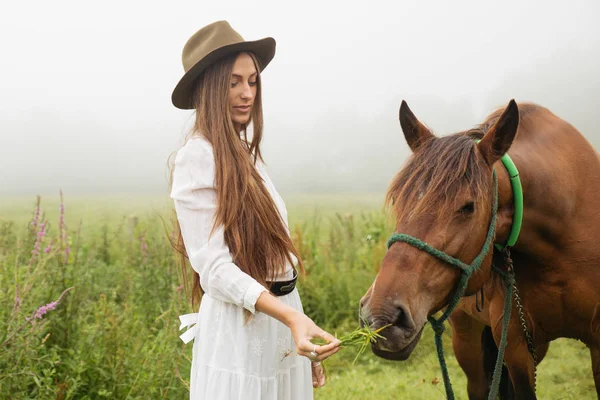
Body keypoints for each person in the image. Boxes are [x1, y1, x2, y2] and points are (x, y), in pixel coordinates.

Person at [168, 21, 341, 400]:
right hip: (240, 330)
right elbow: (214, 269)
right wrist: (291, 319)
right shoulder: (197, 158)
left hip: (279, 323)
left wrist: (299, 326)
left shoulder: (247, 157)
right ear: (209, 89)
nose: (247, 93)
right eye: (233, 83)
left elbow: (278, 260)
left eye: (252, 81)